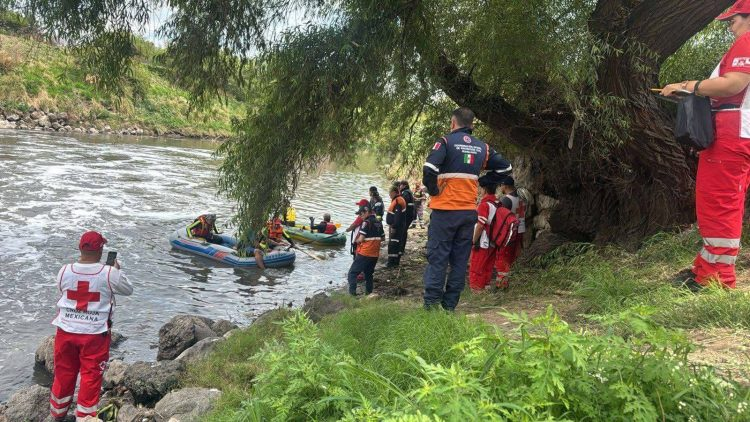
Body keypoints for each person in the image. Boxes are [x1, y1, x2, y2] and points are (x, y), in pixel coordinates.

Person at [661, 1, 750, 291]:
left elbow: (732, 84)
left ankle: (717, 279)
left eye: (732, 20)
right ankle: (706, 268)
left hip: (732, 132)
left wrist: (688, 86)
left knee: (720, 202)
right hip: (734, 131)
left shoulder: (748, 42)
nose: (730, 27)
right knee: (719, 201)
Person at [422, 107, 512, 310]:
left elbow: (429, 169)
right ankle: (449, 307)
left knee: (438, 258)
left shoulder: (445, 142)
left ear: (453, 123)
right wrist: (483, 180)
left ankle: (431, 307)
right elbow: (506, 168)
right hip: (468, 214)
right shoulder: (483, 148)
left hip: (444, 212)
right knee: (459, 261)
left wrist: (434, 190)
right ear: (472, 125)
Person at [49, 231, 133, 420]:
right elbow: (128, 289)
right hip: (95, 334)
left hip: (65, 331)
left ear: (80, 248)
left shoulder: (64, 270)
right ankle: (85, 417)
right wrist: (117, 270)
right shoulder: (109, 273)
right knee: (90, 376)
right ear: (101, 250)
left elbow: (62, 289)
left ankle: (57, 414)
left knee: (63, 373)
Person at [347, 205, 384, 295]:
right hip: (375, 254)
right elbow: (383, 238)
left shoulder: (366, 223)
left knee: (352, 273)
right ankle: (369, 293)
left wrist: (356, 241)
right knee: (368, 274)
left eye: (361, 214)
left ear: (367, 212)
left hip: (365, 253)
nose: (360, 216)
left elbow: (361, 239)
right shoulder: (379, 222)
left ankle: (352, 295)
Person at [496, 176, 526, 285]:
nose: (500, 188)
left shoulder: (506, 200)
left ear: (505, 186)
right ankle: (512, 281)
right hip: (520, 230)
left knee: (504, 257)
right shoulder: (522, 198)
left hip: (509, 232)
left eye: (501, 185)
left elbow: (501, 219)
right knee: (514, 257)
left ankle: (502, 284)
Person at [386, 185, 407, 267]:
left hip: (397, 227)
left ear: (394, 192)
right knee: (397, 244)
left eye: (390, 193)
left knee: (393, 244)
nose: (389, 195)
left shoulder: (398, 201)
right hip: (400, 226)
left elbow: (397, 217)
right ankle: (395, 262)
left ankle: (391, 263)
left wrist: (394, 227)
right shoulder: (398, 199)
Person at [398, 180, 416, 258]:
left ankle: (401, 249)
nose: (399, 186)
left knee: (403, 231)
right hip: (410, 215)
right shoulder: (408, 192)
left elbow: (402, 203)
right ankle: (401, 249)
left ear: (404, 185)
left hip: (407, 215)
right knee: (404, 231)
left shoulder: (405, 193)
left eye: (400, 185)